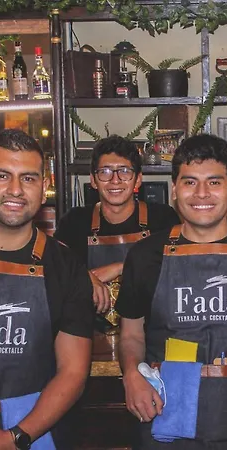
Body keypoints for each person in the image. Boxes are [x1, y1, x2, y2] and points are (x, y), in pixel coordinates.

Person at [116, 134, 227, 449]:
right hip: (163, 414)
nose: (201, 193)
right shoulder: (144, 256)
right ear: (175, 189)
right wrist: (131, 375)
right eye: (190, 182)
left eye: (214, 182)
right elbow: (131, 335)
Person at [0, 129, 94, 449]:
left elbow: (73, 372)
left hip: (32, 431)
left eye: (29, 178)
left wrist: (14, 437)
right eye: (2, 175)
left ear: (44, 188)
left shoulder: (66, 266)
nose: (15, 190)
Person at [55, 135, 180, 326]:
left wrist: (120, 267)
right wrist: (84, 276)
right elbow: (54, 268)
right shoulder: (74, 221)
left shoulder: (162, 218)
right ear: (93, 180)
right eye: (105, 172)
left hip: (149, 329)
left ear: (138, 180)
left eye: (124, 171)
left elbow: (176, 270)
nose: (115, 180)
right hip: (87, 331)